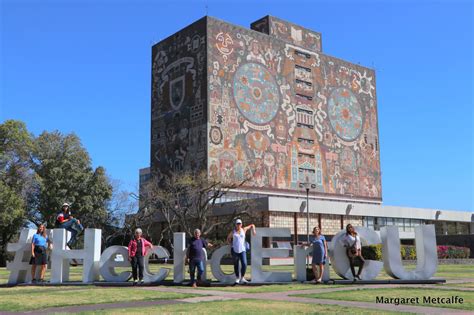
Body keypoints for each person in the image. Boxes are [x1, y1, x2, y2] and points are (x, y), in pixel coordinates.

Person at [226, 219, 256, 284]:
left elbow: (252, 225)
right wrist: (230, 244)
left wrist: (254, 230)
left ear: (241, 224)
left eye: (239, 224)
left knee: (244, 264)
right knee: (236, 264)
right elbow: (228, 238)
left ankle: (242, 278)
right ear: (235, 225)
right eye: (237, 224)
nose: (238, 225)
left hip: (242, 250)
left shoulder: (244, 229)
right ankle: (237, 278)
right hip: (235, 250)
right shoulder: (233, 232)